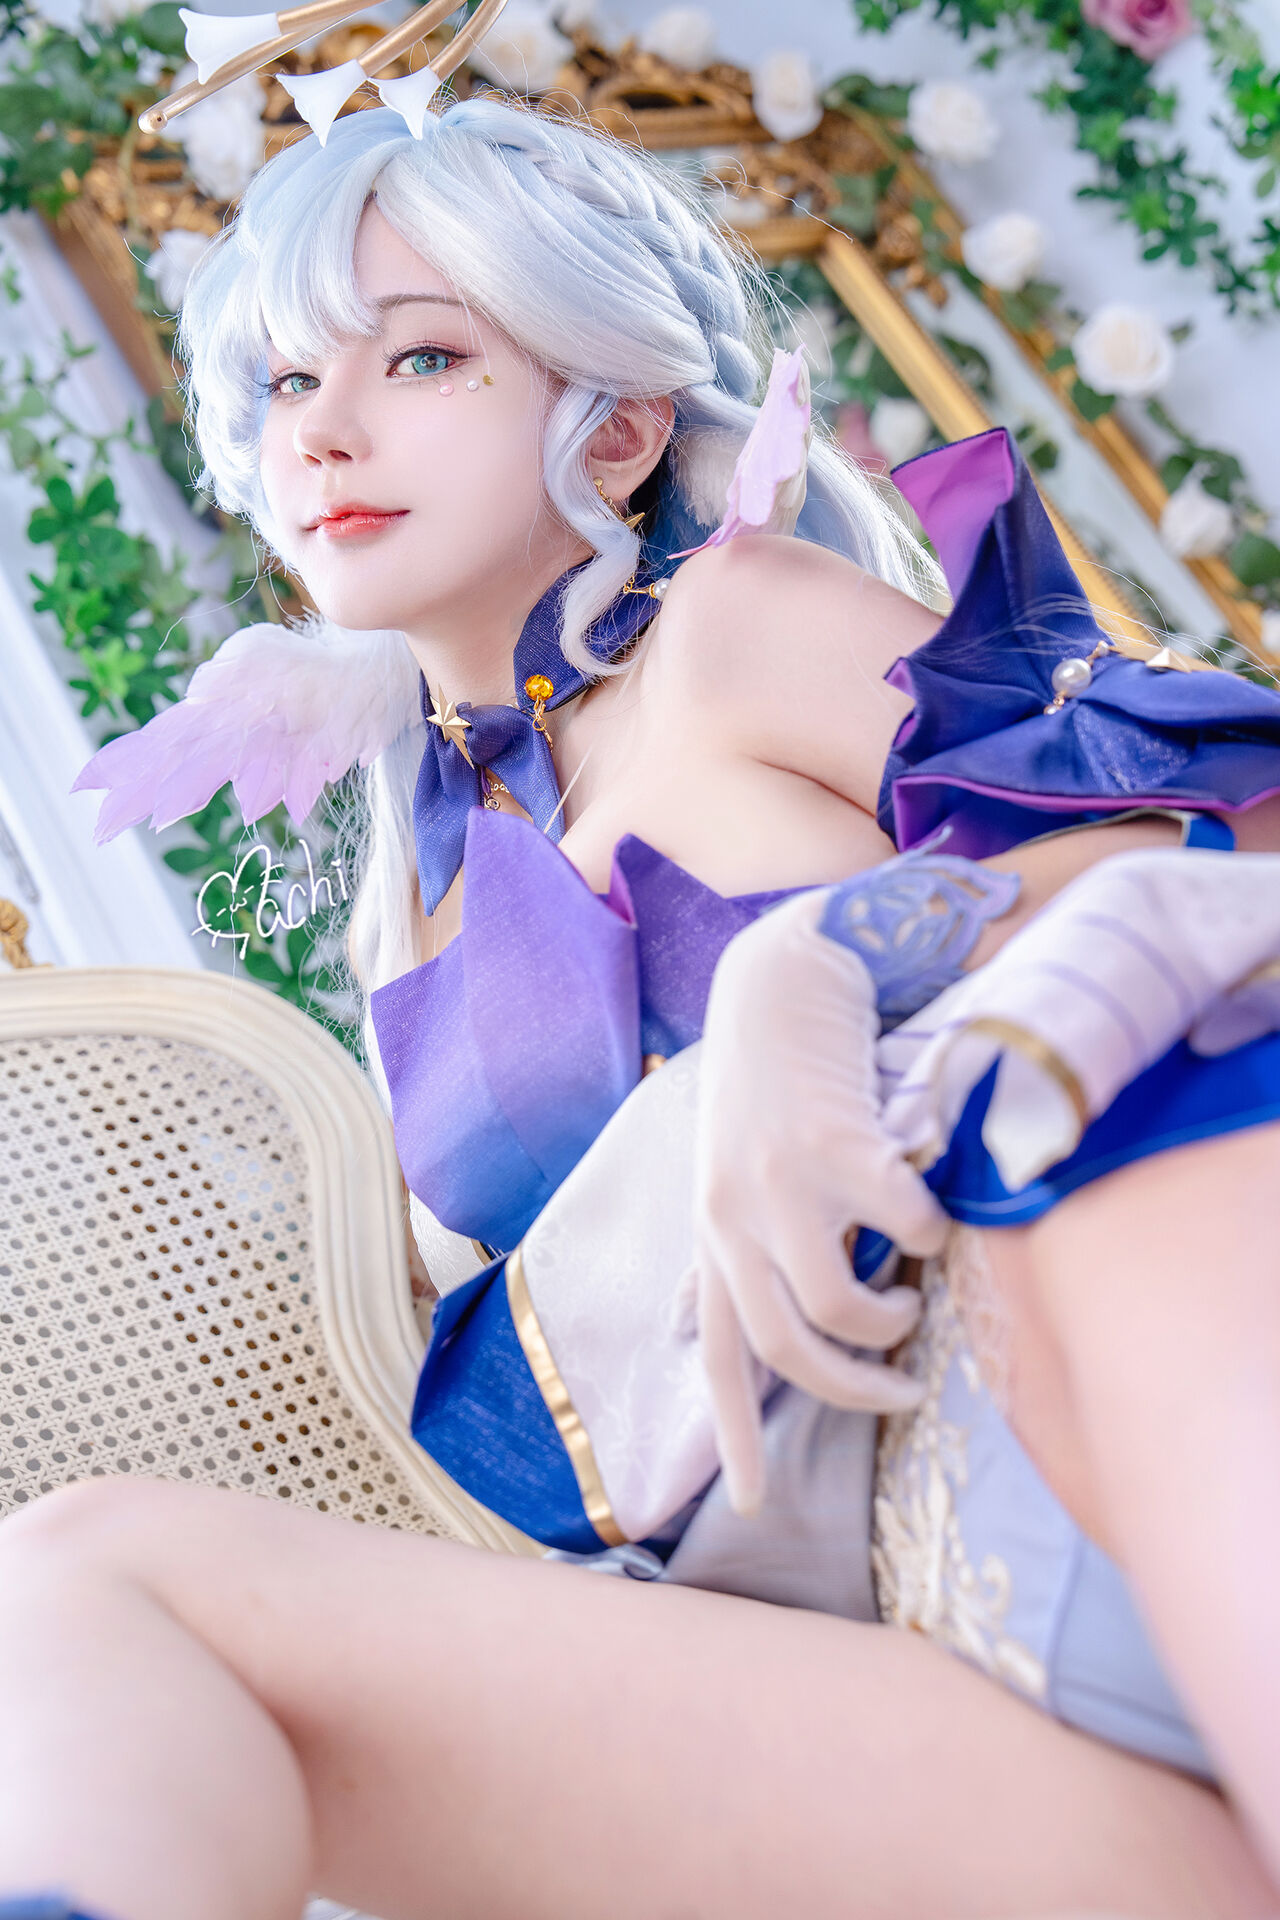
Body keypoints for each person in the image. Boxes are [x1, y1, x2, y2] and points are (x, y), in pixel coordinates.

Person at [12, 93, 1280, 1920]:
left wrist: (824, 963)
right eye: (285, 382)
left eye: (422, 358)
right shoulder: (415, 896)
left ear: (612, 428)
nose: (325, 431)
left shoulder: (737, 625)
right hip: (843, 1614)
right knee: (73, 1578)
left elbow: (1213, 848)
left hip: (1081, 1384)